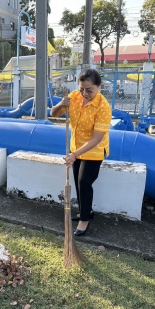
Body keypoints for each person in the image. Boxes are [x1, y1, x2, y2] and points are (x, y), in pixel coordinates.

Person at [50, 69, 112, 236]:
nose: (84, 93)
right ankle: (87, 211)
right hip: (75, 146)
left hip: (94, 150)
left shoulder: (103, 106)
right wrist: (61, 105)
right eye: (81, 89)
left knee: (84, 182)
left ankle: (85, 220)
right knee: (78, 182)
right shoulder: (75, 97)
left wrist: (74, 155)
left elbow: (97, 139)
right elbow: (53, 114)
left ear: (99, 86)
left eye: (89, 90)